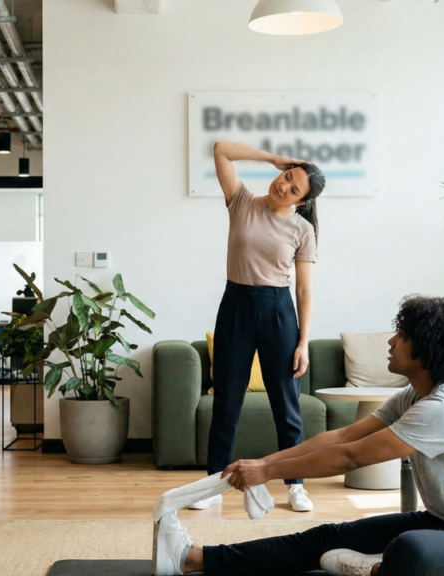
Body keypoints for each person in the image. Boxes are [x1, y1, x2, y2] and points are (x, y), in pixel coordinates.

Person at [156, 296, 444, 576]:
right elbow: (341, 438)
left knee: (411, 551)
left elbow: (351, 458)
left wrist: (268, 475)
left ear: (426, 350)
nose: (390, 341)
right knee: (330, 534)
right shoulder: (414, 396)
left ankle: (374, 571)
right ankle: (194, 559)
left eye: (400, 335)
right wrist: (264, 463)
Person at [187, 142, 325, 513]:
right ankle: (213, 482)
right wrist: (273, 157)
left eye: (294, 188)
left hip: (279, 311)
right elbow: (220, 150)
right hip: (235, 306)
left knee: (287, 405)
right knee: (226, 401)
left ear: (301, 202)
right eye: (287, 176)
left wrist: (304, 340)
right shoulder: (242, 201)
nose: (284, 186)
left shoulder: (301, 230)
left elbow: (304, 287)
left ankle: (295, 485)